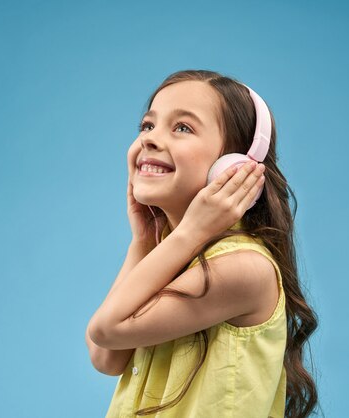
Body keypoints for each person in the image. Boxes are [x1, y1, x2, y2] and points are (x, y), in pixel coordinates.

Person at [85, 70, 320, 417]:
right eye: (147, 126)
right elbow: (106, 357)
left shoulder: (244, 268)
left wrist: (189, 232)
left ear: (234, 166)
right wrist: (143, 241)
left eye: (182, 128)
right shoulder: (174, 252)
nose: (150, 139)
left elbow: (105, 330)